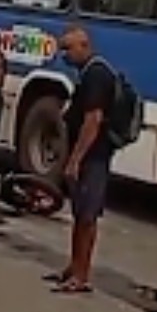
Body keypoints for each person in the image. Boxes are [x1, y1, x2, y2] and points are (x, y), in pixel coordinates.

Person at [47, 26, 117, 294]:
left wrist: (75, 159)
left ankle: (81, 275)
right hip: (90, 155)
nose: (64, 55)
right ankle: (73, 267)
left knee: (86, 216)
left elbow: (93, 121)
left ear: (84, 46)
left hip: (93, 156)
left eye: (68, 49)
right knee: (79, 213)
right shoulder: (88, 73)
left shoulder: (96, 75)